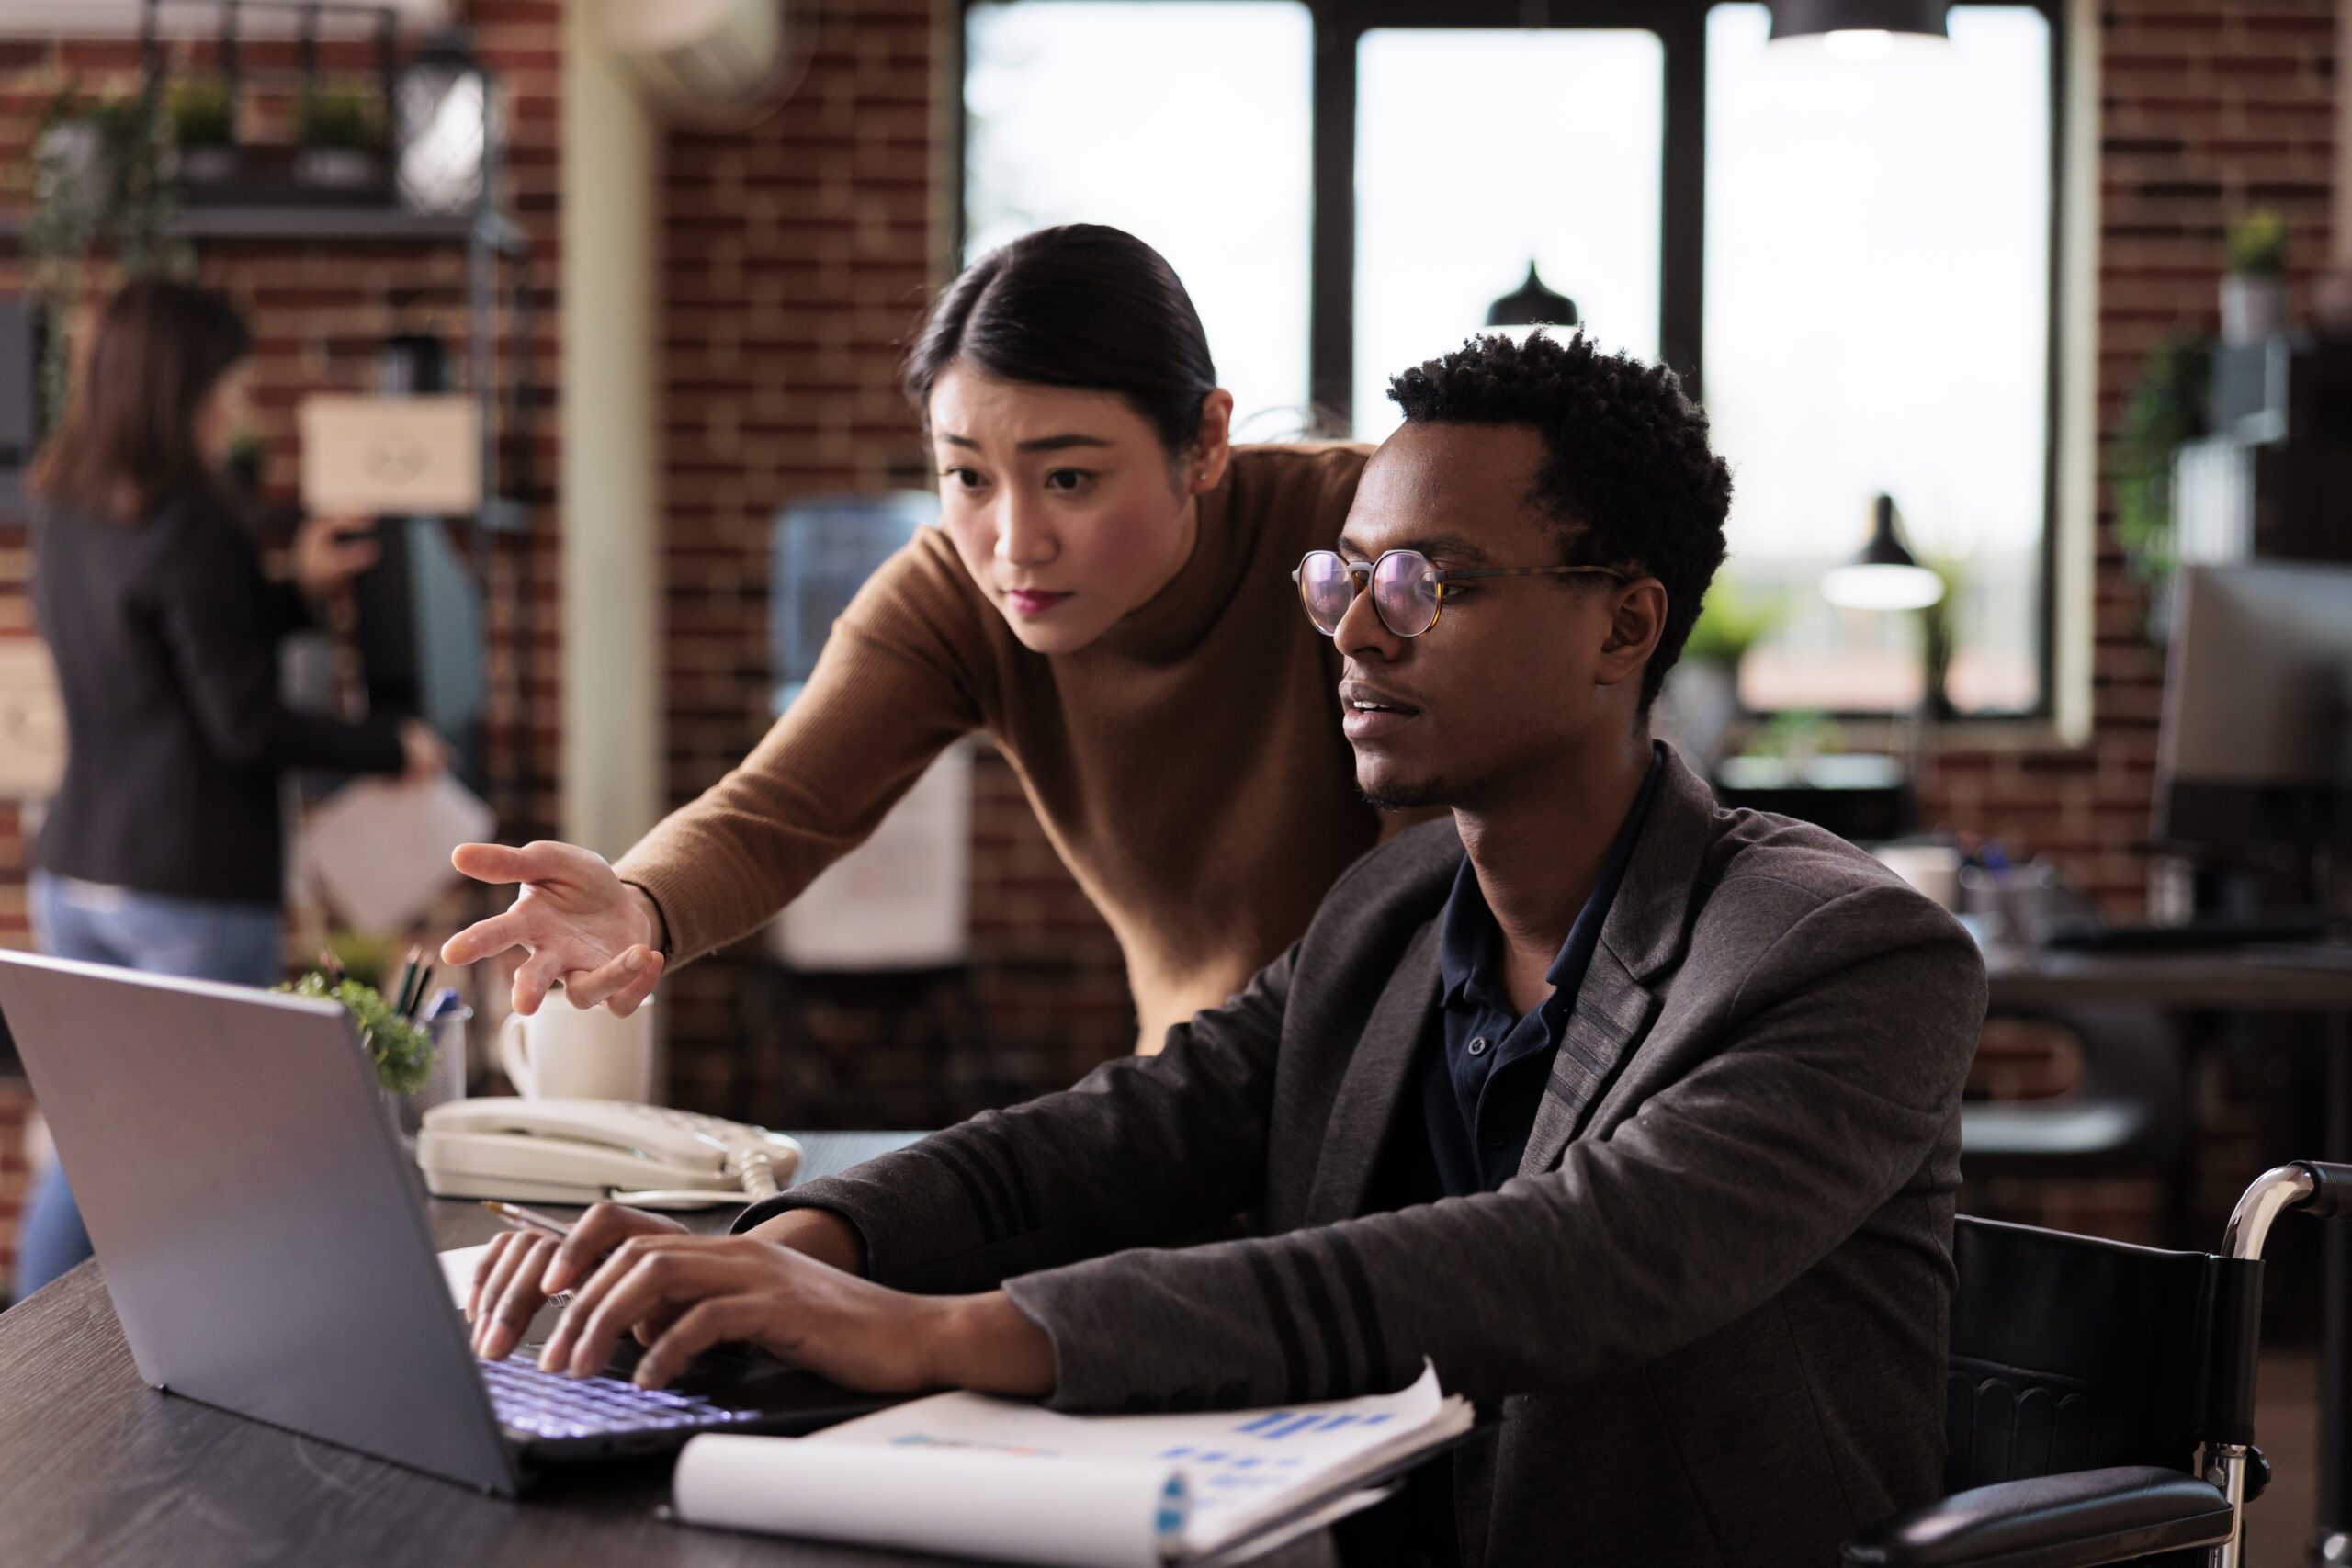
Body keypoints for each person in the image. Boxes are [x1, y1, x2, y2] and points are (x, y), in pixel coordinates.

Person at [467, 333, 1988, 1564]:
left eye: (1425, 583)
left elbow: (1566, 1261)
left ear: (1624, 625)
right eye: (1345, 579)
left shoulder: (1846, 953)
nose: (1357, 635)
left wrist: (938, 1330)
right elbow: (1121, 1133)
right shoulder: (1392, 910)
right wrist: (799, 1250)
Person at [439, 224, 1396, 1052]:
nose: (1014, 545)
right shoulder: (953, 588)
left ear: (1204, 443)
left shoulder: (1357, 535)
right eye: (968, 477)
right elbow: (776, 813)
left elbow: (1448, 888)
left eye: (1068, 479)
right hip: (1201, 1090)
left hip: (1417, 1086)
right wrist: (638, 903)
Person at [15, 278, 444, 1299]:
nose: (242, 405)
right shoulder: (196, 522)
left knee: (94, 1139)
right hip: (190, 881)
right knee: (207, 1151)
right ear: (189, 387)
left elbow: (173, 654)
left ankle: (25, 1369)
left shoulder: (66, 506)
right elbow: (242, 723)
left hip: (78, 870)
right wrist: (392, 747)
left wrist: (292, 591)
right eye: (233, 382)